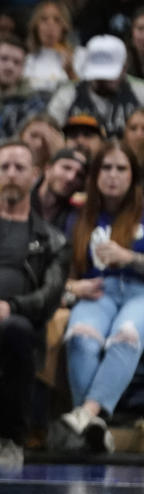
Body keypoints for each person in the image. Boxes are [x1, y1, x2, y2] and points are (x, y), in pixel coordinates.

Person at [0, 141, 69, 466]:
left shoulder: (52, 239)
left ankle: (10, 438)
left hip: (16, 324)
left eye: (20, 167)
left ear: (36, 175)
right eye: (4, 167)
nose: (11, 174)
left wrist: (11, 307)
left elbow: (50, 296)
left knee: (18, 332)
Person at [58, 140, 144, 453]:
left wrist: (130, 258)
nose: (113, 175)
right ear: (94, 176)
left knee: (126, 335)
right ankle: (94, 426)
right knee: (81, 337)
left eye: (121, 168)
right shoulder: (78, 218)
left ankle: (87, 413)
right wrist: (72, 287)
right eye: (106, 168)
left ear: (133, 176)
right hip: (98, 292)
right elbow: (62, 275)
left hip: (139, 293)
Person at [32, 147, 88, 232]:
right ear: (48, 168)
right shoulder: (20, 202)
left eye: (79, 175)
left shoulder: (77, 220)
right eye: (66, 168)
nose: (71, 178)